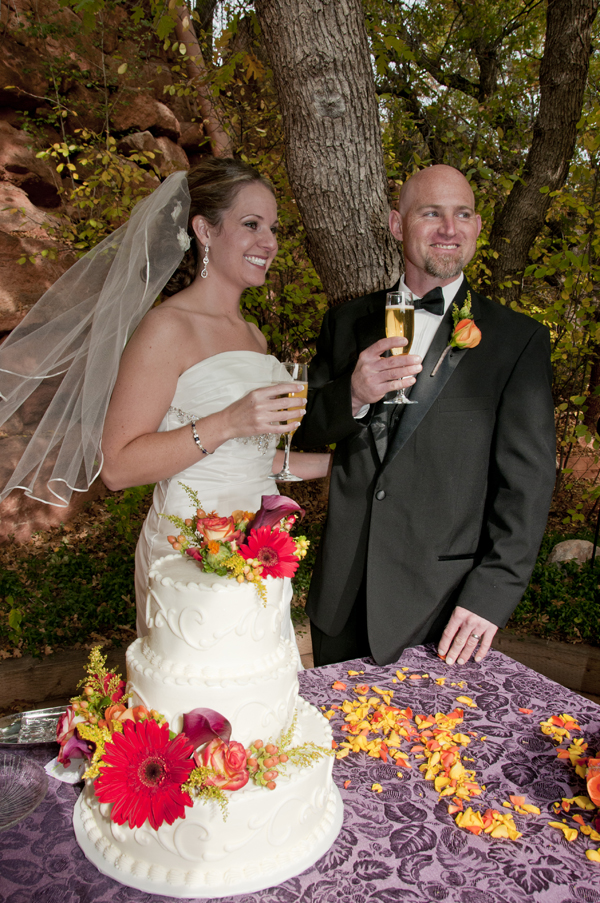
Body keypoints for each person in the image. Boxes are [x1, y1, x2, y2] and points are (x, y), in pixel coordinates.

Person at [0, 159, 329, 642]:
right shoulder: (165, 328)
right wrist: (228, 421)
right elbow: (117, 467)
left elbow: (252, 457)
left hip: (261, 548)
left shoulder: (255, 336)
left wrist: (340, 467)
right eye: (251, 224)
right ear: (204, 230)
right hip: (188, 547)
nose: (270, 242)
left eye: (273, 228)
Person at [296, 164, 556, 668]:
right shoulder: (346, 322)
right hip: (340, 601)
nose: (448, 228)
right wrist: (351, 394)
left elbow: (527, 485)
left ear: (477, 228)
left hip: (443, 611)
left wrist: (491, 593)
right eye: (430, 213)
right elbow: (307, 428)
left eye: (462, 214)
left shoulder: (516, 340)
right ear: (397, 225)